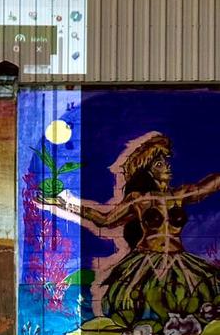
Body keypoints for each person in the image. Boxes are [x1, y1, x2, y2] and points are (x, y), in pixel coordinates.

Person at [51, 132, 220, 317]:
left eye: (166, 162)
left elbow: (207, 187)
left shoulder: (179, 196)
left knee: (199, 297)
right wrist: (67, 204)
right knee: (139, 306)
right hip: (146, 261)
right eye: (159, 164)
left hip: (179, 259)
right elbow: (105, 219)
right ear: (149, 170)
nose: (166, 167)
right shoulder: (139, 200)